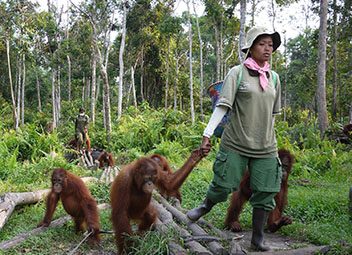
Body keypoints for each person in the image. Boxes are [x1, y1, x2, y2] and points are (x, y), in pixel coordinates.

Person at [186, 26, 282, 252]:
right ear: (250, 47)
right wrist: (207, 135)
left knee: (266, 190)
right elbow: (222, 106)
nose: (267, 49)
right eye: (262, 44)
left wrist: (269, 137)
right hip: (236, 142)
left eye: (270, 45)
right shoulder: (237, 73)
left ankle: (257, 238)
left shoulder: (274, 78)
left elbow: (273, 115)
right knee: (224, 183)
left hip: (266, 146)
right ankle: (205, 206)